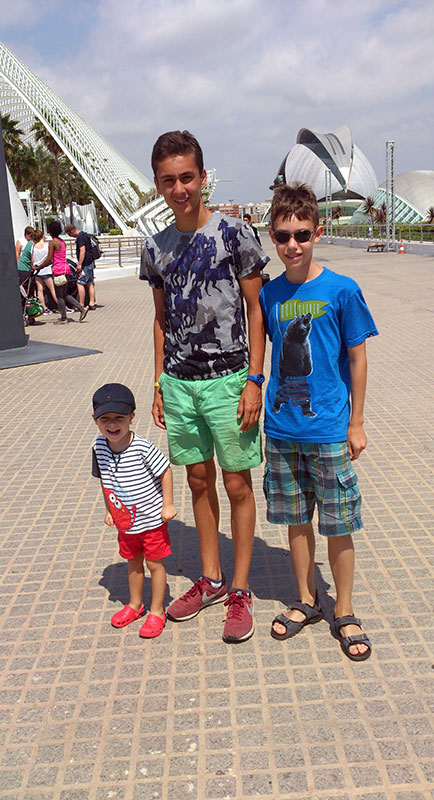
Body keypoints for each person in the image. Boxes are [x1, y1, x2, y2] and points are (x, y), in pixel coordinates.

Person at [140, 130, 269, 643]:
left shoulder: (235, 234)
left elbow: (257, 309)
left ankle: (240, 588)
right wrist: (158, 382)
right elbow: (160, 320)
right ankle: (211, 578)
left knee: (237, 484)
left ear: (202, 177)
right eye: (169, 180)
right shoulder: (156, 247)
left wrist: (255, 379)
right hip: (180, 383)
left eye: (188, 177)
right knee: (197, 480)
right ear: (158, 184)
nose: (180, 189)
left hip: (229, 380)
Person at [260, 183, 378, 661]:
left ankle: (344, 609)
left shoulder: (342, 290)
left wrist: (357, 422)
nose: (293, 245)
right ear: (272, 236)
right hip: (281, 429)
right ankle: (306, 600)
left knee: (338, 523)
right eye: (283, 236)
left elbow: (358, 358)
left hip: (328, 428)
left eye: (302, 235)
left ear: (317, 232)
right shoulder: (269, 294)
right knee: (295, 521)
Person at [92, 383, 176, 638]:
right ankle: (135, 604)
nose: (112, 425)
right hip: (125, 524)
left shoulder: (143, 448)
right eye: (105, 419)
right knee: (133, 562)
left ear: (132, 417)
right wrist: (109, 510)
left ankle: (157, 610)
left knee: (154, 564)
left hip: (151, 521)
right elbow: (105, 481)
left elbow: (165, 471)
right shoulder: (99, 447)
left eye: (119, 418)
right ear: (95, 419)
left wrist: (168, 504)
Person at [39, 220, 88, 324]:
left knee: (59, 296)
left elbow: (49, 259)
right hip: (66, 269)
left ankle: (64, 317)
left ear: (50, 231)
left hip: (58, 271)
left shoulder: (53, 243)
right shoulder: (62, 241)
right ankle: (81, 308)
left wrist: (39, 267)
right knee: (64, 294)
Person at [65, 223, 96, 309]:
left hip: (85, 264)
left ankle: (81, 304)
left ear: (72, 231)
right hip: (90, 262)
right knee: (90, 283)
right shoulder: (85, 235)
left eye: (69, 234)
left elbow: (82, 250)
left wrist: (79, 264)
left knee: (80, 283)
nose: (70, 236)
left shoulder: (80, 237)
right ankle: (91, 303)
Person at [31, 229, 58, 314]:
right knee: (53, 290)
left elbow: (32, 259)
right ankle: (61, 306)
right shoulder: (47, 245)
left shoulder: (33, 247)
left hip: (37, 271)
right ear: (42, 236)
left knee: (40, 290)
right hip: (46, 270)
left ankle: (44, 307)